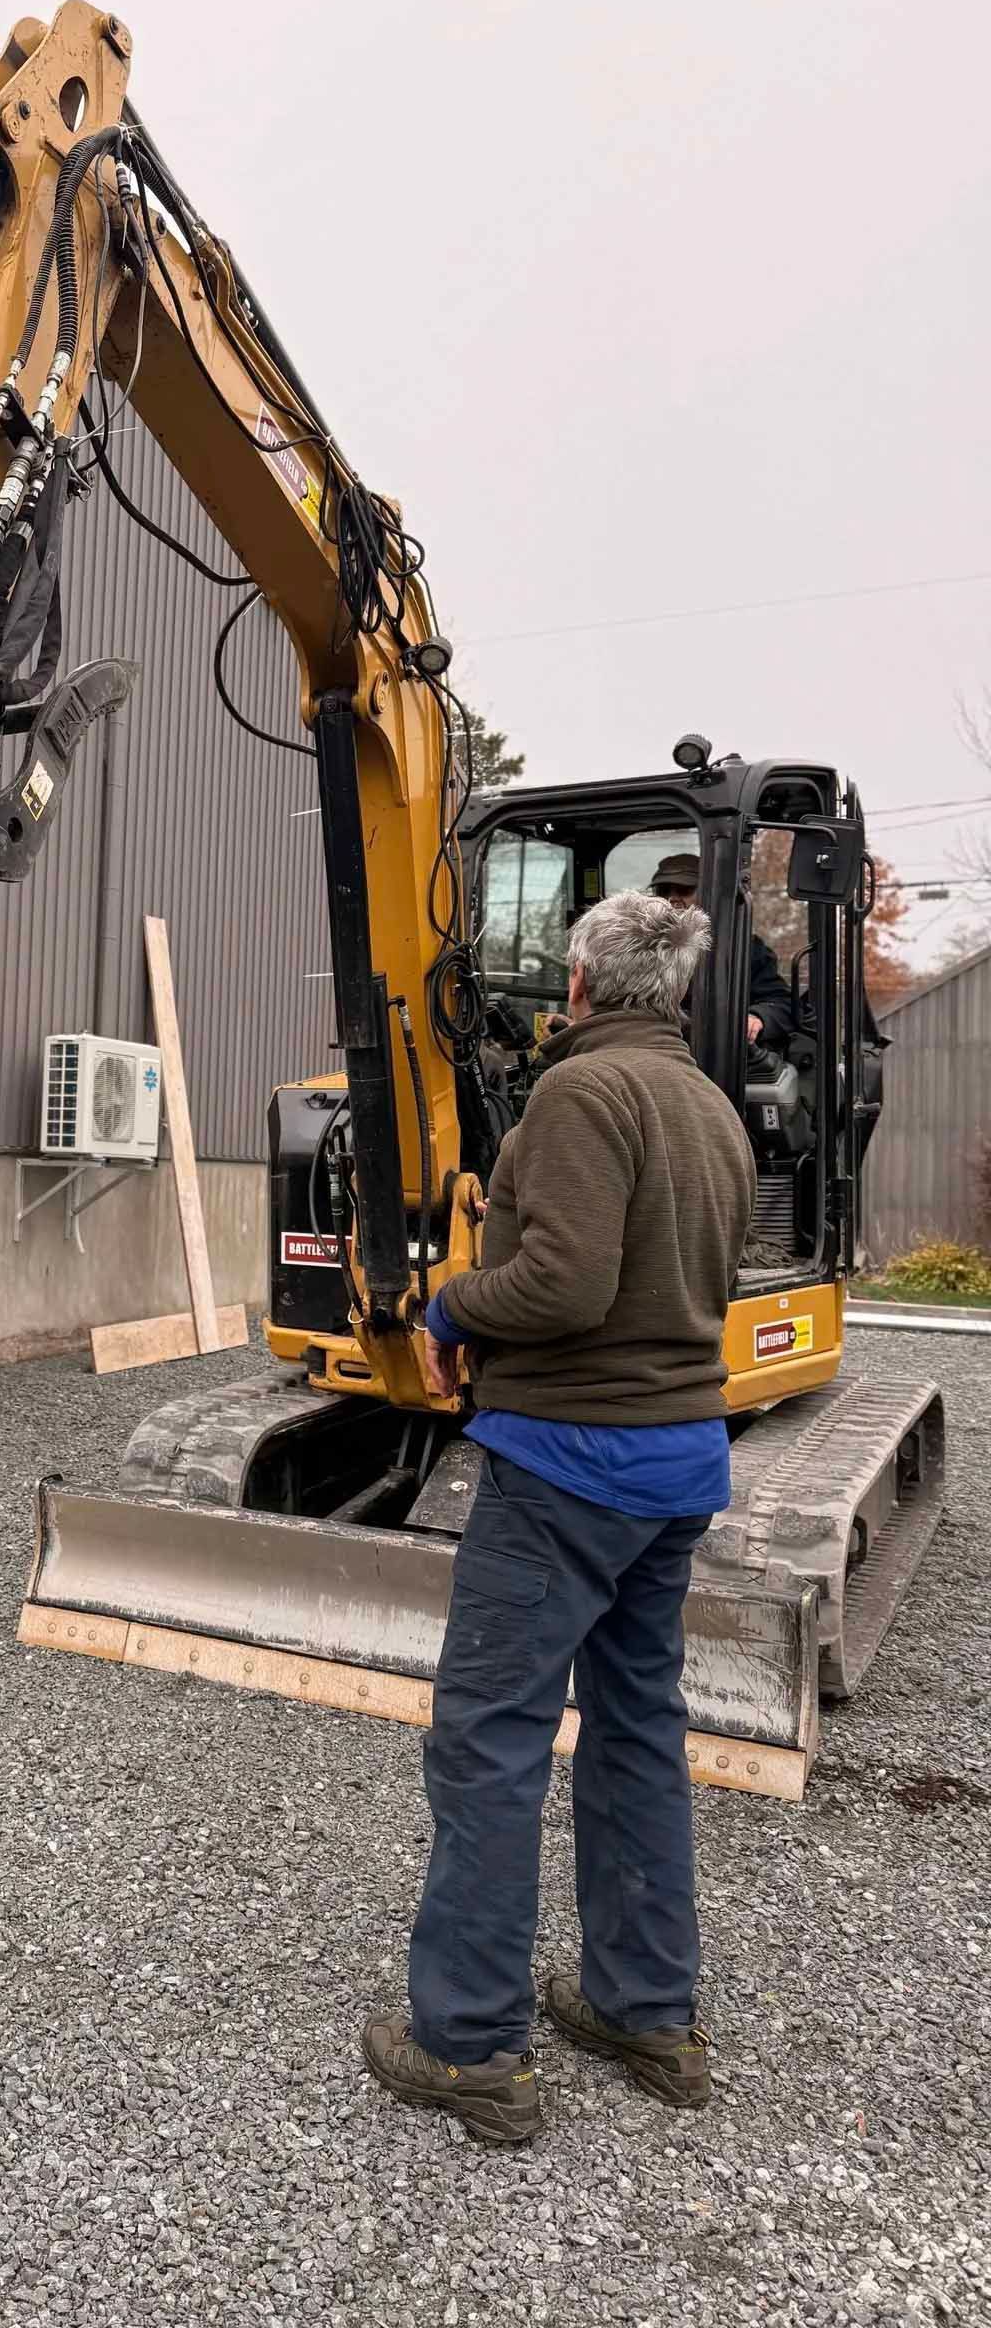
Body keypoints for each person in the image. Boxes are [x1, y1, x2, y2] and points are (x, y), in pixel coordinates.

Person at [361, 888, 755, 2147]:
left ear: (579, 986)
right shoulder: (711, 1110)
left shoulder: (583, 1096)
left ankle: (468, 2042)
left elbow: (566, 1280)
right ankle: (644, 2011)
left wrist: (451, 1307)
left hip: (568, 1470)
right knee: (638, 1732)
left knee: (493, 1741)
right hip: (676, 1465)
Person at [646, 851, 791, 1049]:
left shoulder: (743, 949)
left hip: (718, 1054)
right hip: (655, 1048)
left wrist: (757, 1017)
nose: (673, 899)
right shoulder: (639, 947)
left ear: (707, 893)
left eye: (684, 889)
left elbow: (781, 1003)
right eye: (664, 891)